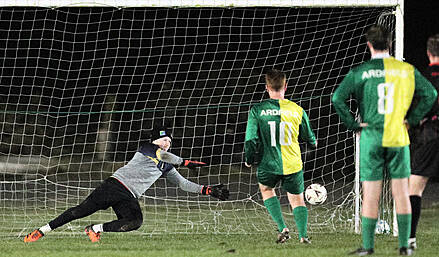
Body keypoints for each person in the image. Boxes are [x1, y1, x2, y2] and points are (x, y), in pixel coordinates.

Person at [332, 25, 437, 256]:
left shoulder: (360, 71)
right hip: (398, 136)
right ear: (390, 43)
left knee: (371, 193)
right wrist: (412, 119)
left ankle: (368, 247)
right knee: (401, 191)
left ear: (368, 44)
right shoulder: (406, 70)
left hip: (372, 138)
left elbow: (337, 98)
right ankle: (405, 246)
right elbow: (431, 94)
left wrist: (353, 124)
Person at [24, 127, 229, 243]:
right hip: (114, 186)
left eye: (168, 140)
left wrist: (207, 190)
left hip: (128, 196)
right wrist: (184, 162)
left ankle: (94, 229)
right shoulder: (148, 148)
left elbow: (183, 184)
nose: (166, 142)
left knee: (135, 222)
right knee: (79, 211)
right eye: (163, 139)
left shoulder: (167, 165)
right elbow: (163, 154)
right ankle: (42, 231)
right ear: (156, 141)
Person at [244, 69, 317, 244]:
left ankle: (282, 227)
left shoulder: (257, 110)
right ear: (285, 86)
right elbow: (309, 138)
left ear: (267, 87)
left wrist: (248, 158)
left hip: (268, 163)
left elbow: (250, 140)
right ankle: (303, 236)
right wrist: (313, 144)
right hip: (293, 163)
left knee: (266, 189)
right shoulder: (297, 110)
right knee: (297, 199)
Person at [408, 33, 439, 250]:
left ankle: (410, 239)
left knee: (415, 187)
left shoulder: (422, 77)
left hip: (429, 135)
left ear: (428, 53)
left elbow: (414, 107)